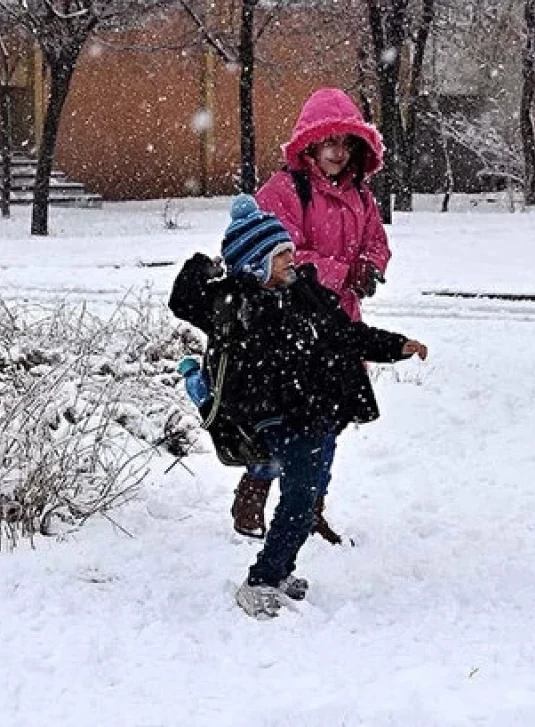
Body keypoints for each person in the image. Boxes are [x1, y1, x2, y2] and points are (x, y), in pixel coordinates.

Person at [171, 195, 427, 619]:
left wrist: (397, 345)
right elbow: (184, 301)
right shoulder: (235, 305)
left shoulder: (307, 295)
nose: (291, 258)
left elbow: (349, 334)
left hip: (319, 411)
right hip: (279, 417)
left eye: (289, 250)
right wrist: (208, 265)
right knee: (300, 500)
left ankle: (281, 567)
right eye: (279, 254)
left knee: (307, 497)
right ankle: (261, 580)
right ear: (255, 263)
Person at [236, 87, 391, 545]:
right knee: (286, 421)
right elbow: (276, 257)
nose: (338, 153)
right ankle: (257, 487)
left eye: (346, 144)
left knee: (331, 421)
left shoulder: (361, 195)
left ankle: (309, 507)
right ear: (310, 143)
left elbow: (377, 242)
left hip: (340, 324)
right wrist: (342, 272)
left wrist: (371, 268)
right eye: (330, 143)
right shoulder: (284, 190)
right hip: (291, 327)